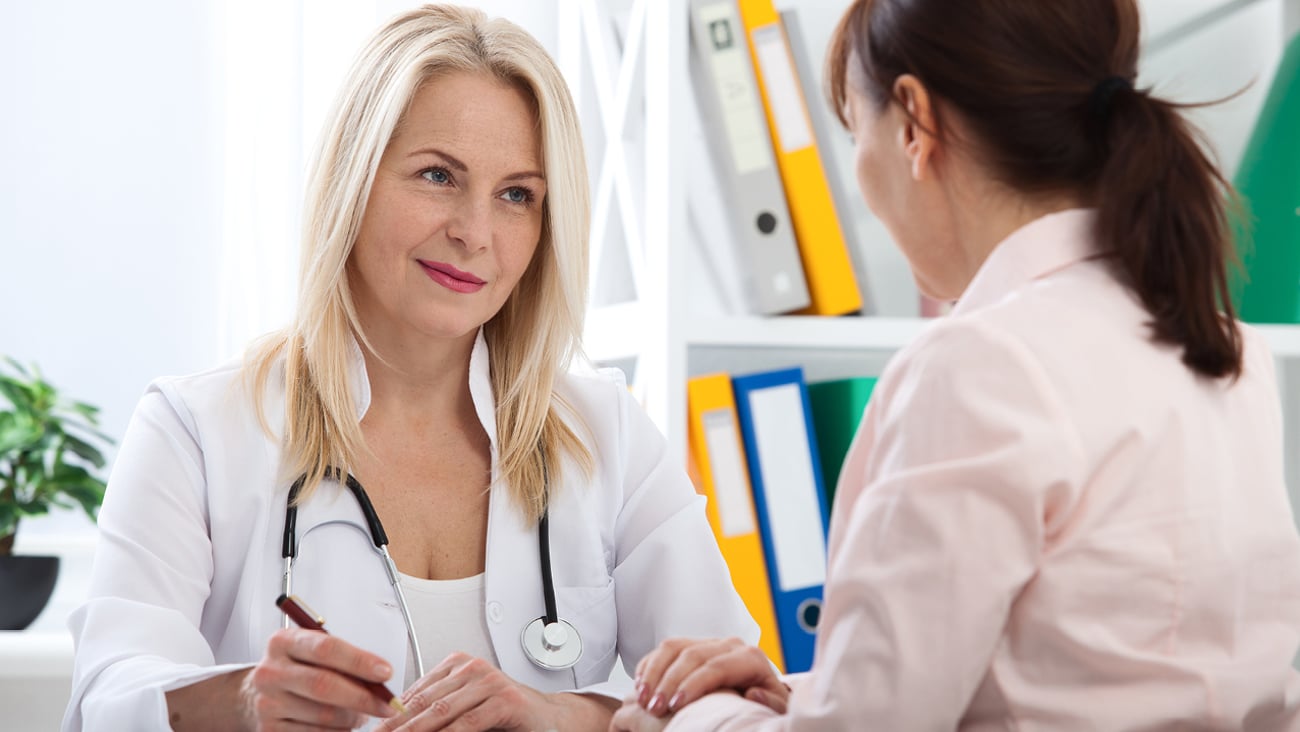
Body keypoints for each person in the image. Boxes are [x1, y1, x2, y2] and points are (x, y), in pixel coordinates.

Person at [62, 5, 758, 731]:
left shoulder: (607, 435)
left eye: (517, 194)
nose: (474, 233)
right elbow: (106, 697)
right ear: (353, 178)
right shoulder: (196, 432)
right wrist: (240, 701)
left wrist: (556, 714)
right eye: (437, 176)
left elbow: (737, 698)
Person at [613, 0, 1300, 729]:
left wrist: (686, 721)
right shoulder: (1224, 345)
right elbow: (1078, 671)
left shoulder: (980, 367)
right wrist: (798, 693)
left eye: (856, 129)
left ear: (913, 122)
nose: (860, 178)